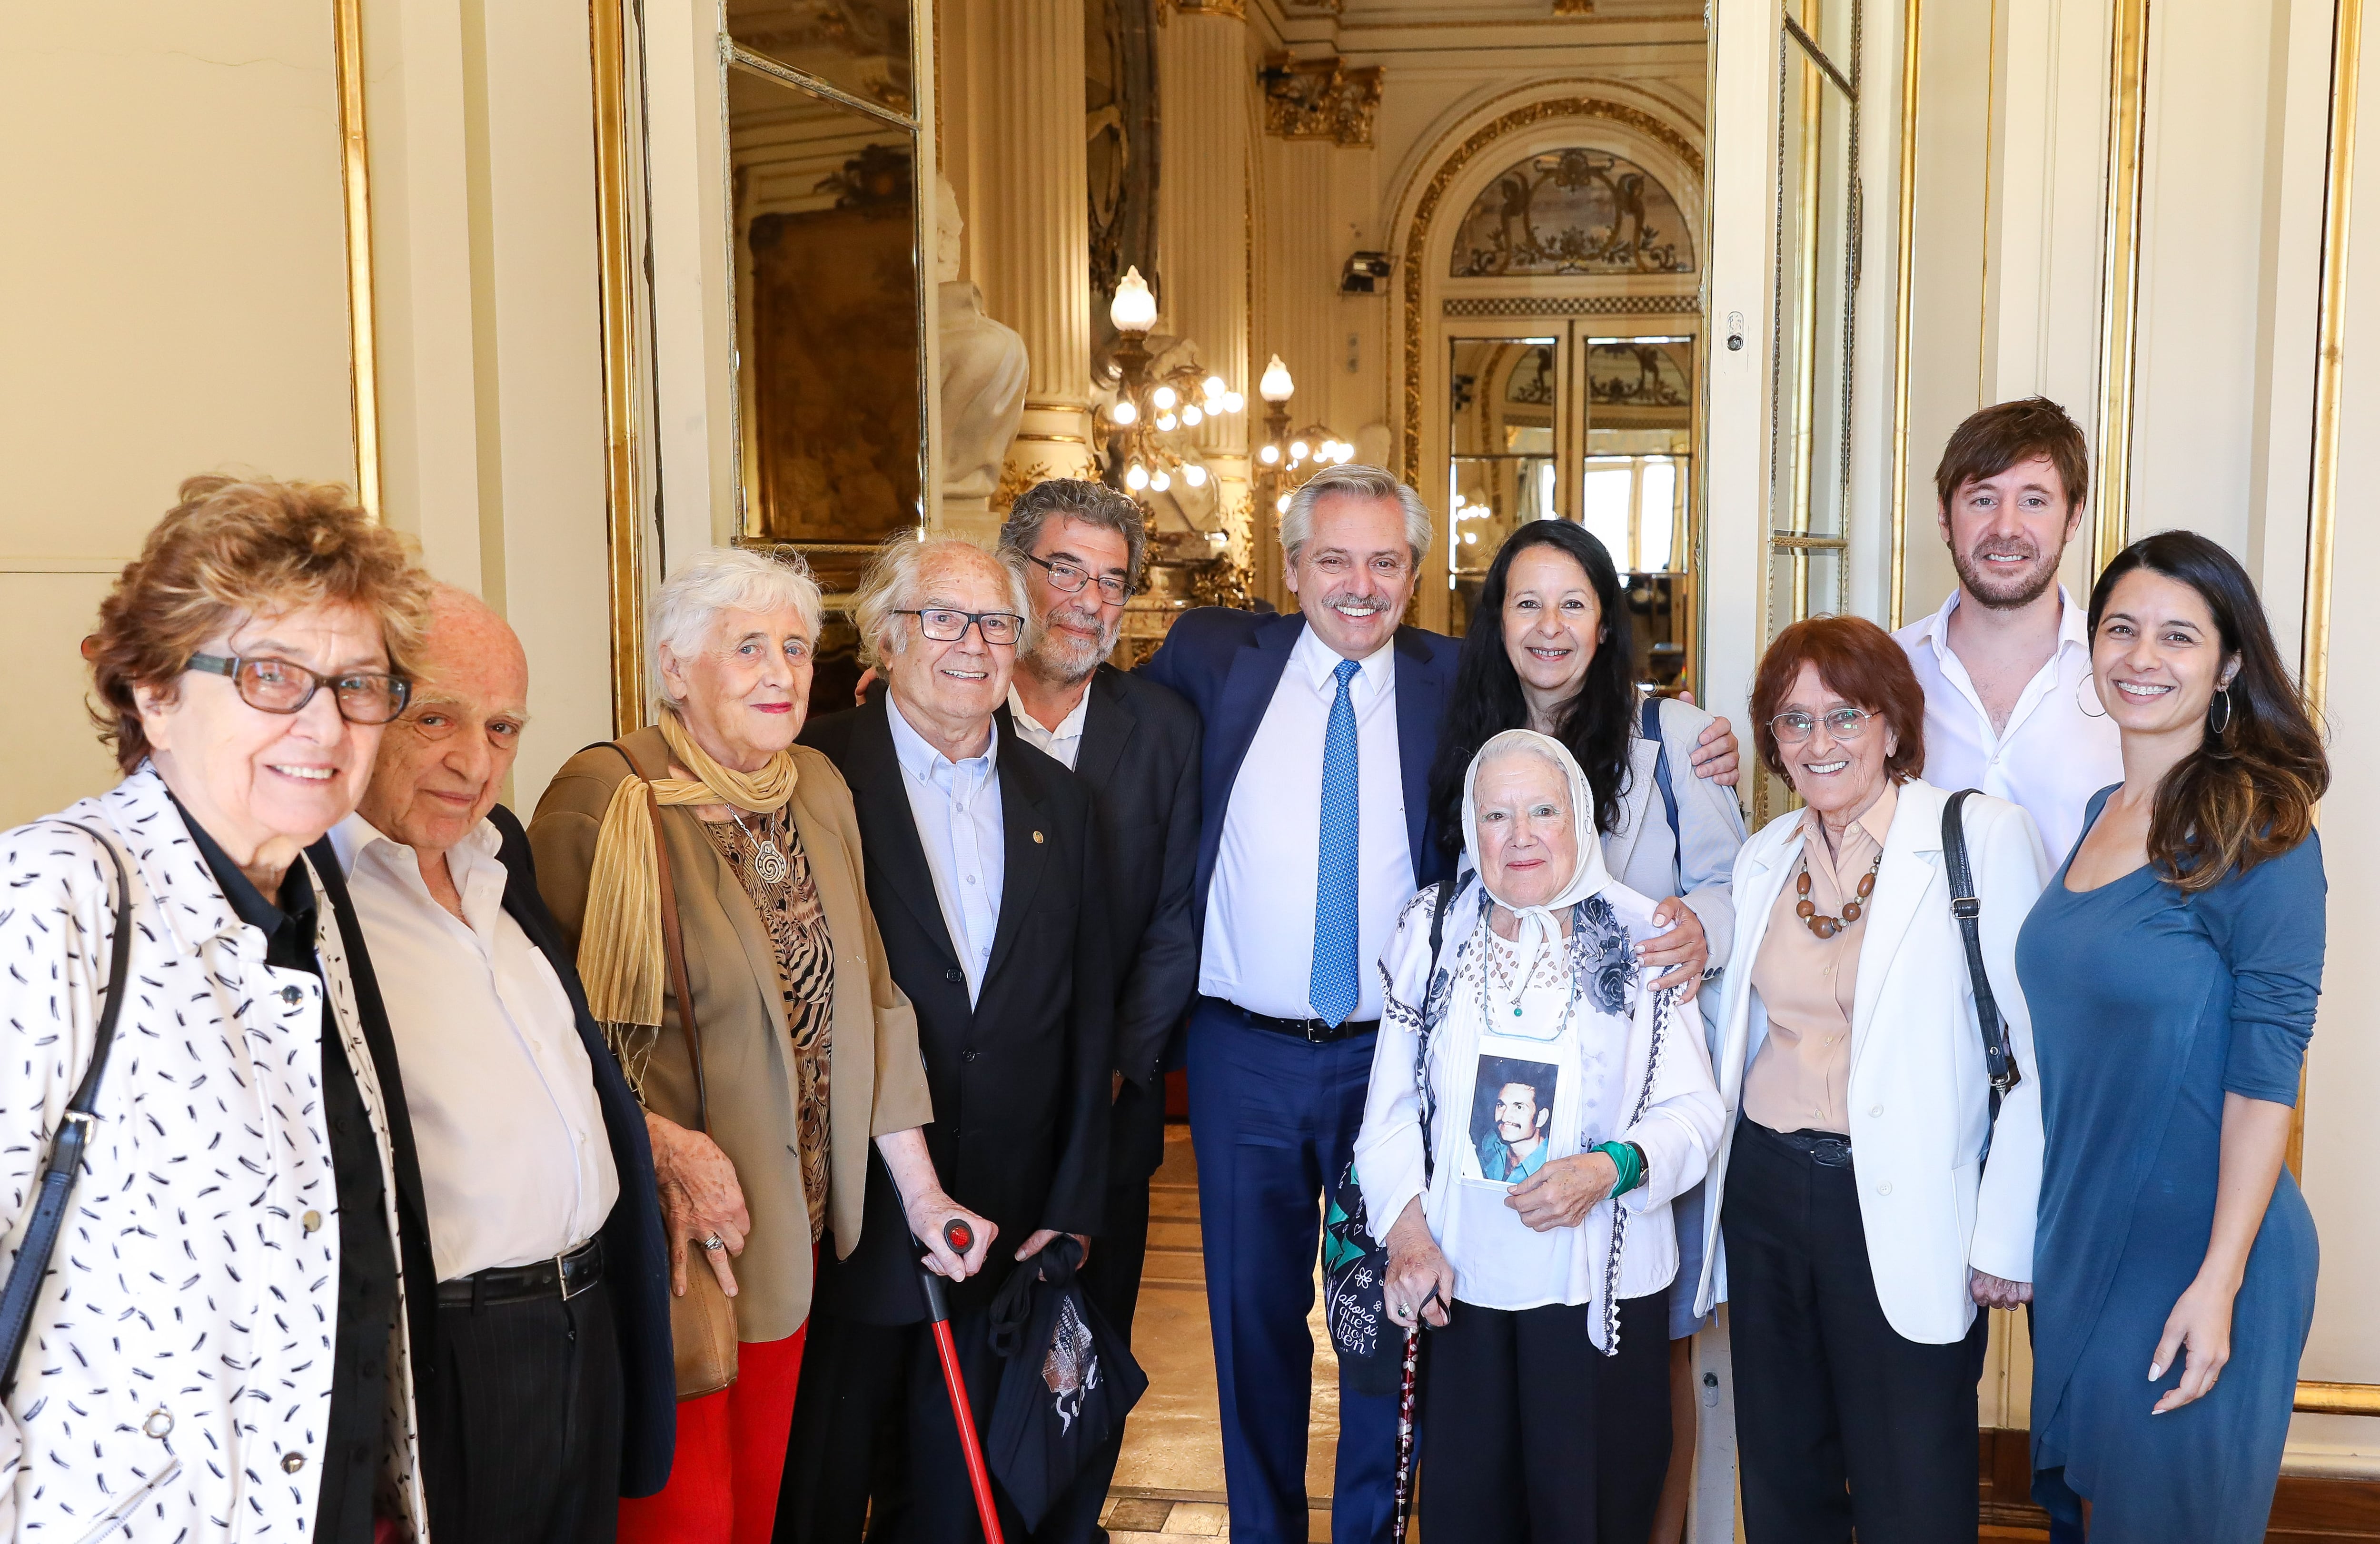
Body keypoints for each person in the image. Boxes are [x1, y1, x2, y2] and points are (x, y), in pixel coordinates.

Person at [0, 475, 433, 1540]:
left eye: (359, 683)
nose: (324, 723)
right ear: (152, 688)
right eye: (272, 675)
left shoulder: (310, 903)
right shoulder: (53, 893)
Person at [531, 547, 986, 1544]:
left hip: (794, 1236)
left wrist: (922, 1193)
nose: (781, 672)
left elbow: (872, 1000)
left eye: (793, 646)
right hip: (677, 1249)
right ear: (672, 667)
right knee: (686, 1519)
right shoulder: (606, 799)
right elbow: (551, 1040)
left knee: (761, 1510)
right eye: (747, 648)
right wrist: (665, 1147)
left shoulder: (814, 786)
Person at [1139, 464, 1461, 1544]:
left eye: (1384, 561)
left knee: (1383, 1321)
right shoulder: (1211, 656)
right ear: (1291, 570)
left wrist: (1684, 735)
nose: (1358, 584)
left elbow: (1578, 709)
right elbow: (1095, 713)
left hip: (1394, 1066)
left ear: (1415, 576)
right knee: (1249, 1322)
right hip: (1242, 1057)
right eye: (1334, 559)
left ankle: (1371, 1529)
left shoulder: (1457, 680)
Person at [1421, 517, 1748, 1540]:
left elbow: (1737, 886)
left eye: (1573, 603)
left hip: (1638, 1089)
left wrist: (1697, 928)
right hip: (1498, 1115)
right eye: (1526, 601)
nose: (1549, 625)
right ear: (1496, 619)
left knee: (1642, 1347)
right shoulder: (1459, 730)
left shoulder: (1676, 735)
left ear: (1606, 622)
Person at [1694, 615, 2047, 1544]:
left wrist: (2005, 1230)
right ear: (1770, 740)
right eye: (1792, 721)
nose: (1819, 743)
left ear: (1892, 723)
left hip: (1900, 1199)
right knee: (1783, 1474)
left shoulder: (1979, 837)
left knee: (1912, 1486)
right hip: (1764, 1194)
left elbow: (2037, 1053)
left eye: (1843, 715)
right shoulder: (1765, 854)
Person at [330, 585, 673, 1541]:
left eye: (503, 726)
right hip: (452, 1354)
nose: (472, 760)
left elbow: (548, 1065)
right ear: (359, 704)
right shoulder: (305, 894)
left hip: (588, 1319)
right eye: (434, 716)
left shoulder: (500, 852)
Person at [790, 535, 1111, 1542]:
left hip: (1002, 1224)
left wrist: (1070, 1200)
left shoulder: (1059, 797)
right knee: (823, 1485)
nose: (974, 644)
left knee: (958, 1498)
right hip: (852, 1207)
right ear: (887, 633)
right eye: (944, 616)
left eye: (996, 622)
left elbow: (1086, 1008)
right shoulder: (809, 773)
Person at [2018, 532, 2327, 1542]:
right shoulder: (2099, 812)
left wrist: (2217, 1277)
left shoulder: (2264, 823)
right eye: (2120, 628)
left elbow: (2265, 1066)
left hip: (2201, 1244)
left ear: (2227, 662)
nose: (2141, 656)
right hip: (2083, 1231)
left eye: (2177, 636)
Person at [1355, 729, 1723, 1544]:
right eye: (1497, 814)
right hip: (1462, 1290)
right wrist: (1408, 1234)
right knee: (1468, 1517)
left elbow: (1695, 1113)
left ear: (1581, 819)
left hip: (1595, 1294)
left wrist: (1609, 1166)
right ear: (1470, 825)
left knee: (1590, 1513)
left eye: (1543, 810)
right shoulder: (1433, 931)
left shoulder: (1645, 933)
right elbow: (1386, 1113)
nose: (1520, 834)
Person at [992, 478, 1203, 1542]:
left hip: (1105, 1113)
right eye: (1065, 569)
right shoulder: (949, 704)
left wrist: (1109, 1075)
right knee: (965, 1339)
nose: (1087, 600)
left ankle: (1077, 1525)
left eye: (1112, 580)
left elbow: (1174, 921)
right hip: (959, 1113)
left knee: (1085, 1339)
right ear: (1012, 572)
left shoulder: (1161, 727)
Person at [1892, 397, 2123, 861]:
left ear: (2073, 517)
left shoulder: (2130, 676)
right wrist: (1705, 750)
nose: (2006, 527)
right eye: (1982, 500)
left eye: (2033, 502)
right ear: (1943, 516)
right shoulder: (1885, 669)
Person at [1477, 1067, 1556, 1182]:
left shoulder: (1553, 1165)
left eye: (1519, 1107)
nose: (1504, 1117)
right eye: (1501, 1105)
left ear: (1541, 1118)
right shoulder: (1491, 1141)